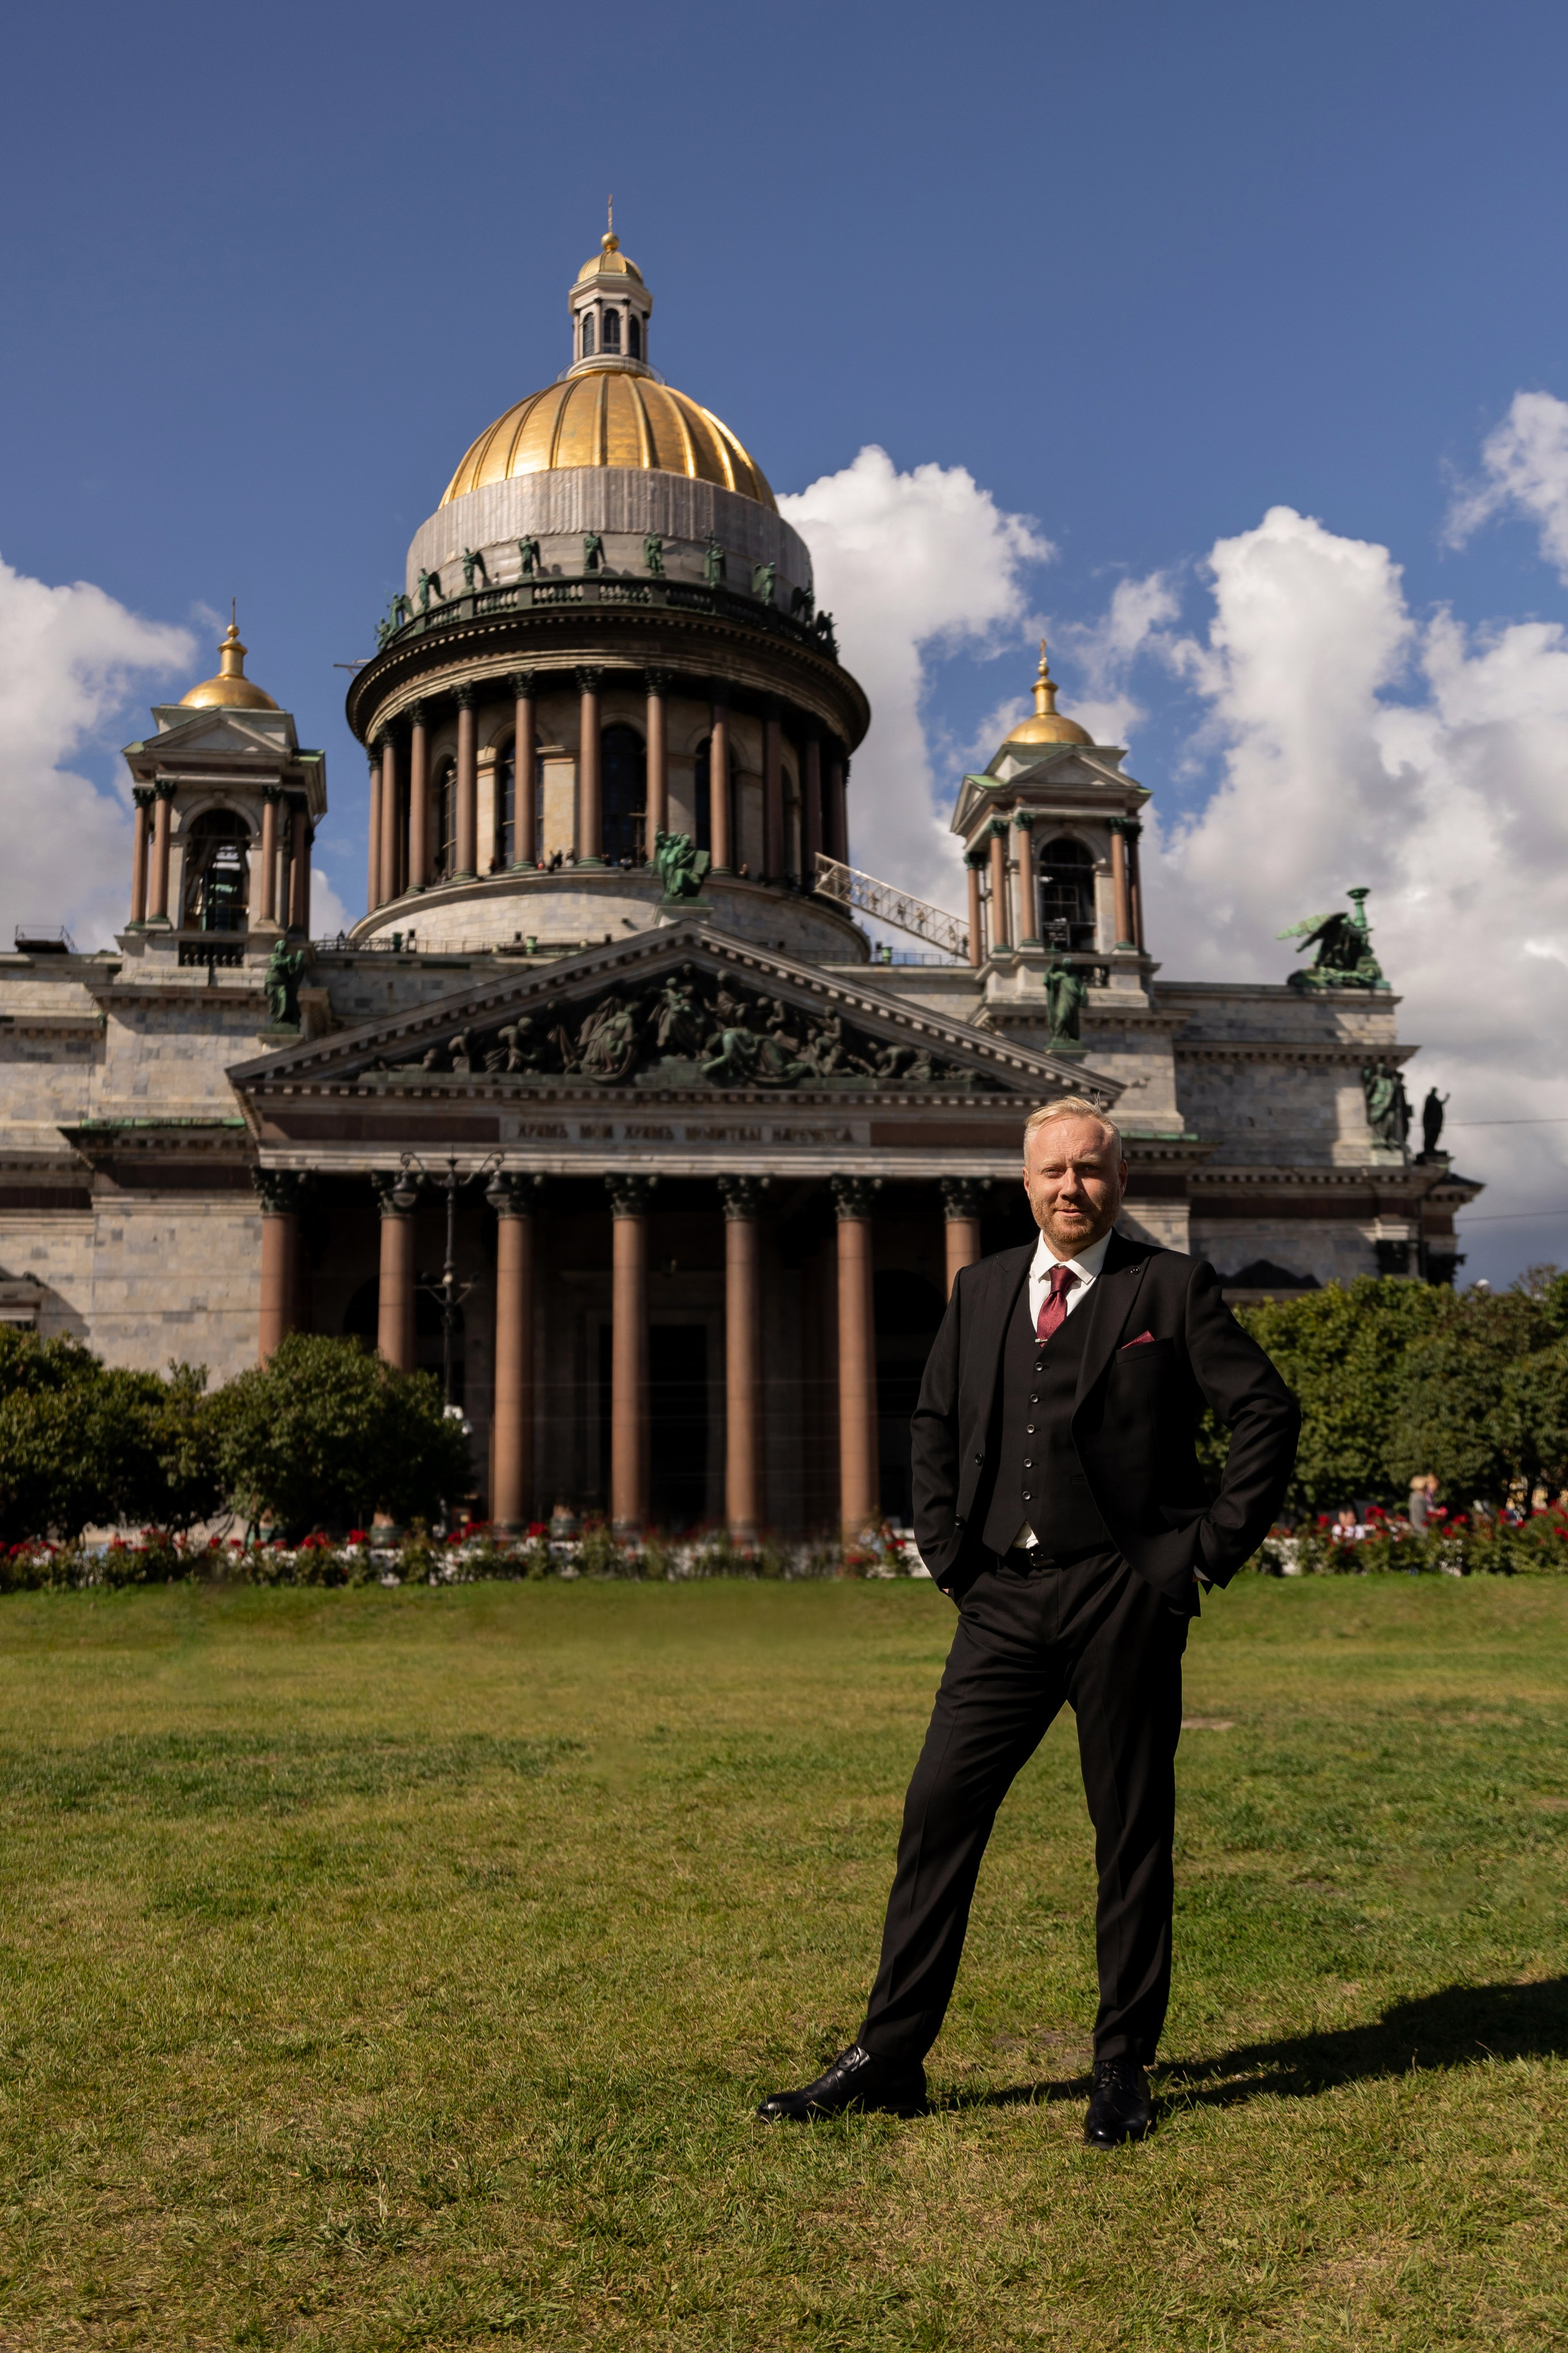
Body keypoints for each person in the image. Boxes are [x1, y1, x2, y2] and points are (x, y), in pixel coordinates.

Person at [758, 1096, 1299, 2147]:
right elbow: (935, 1419)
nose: (1070, 1187)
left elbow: (1265, 1412)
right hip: (1001, 1596)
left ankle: (1121, 2064)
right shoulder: (985, 1286)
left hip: (1122, 1596)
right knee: (938, 1812)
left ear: (1119, 1182)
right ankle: (889, 2057)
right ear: (1025, 1182)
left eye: (1089, 1171)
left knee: (1129, 1832)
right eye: (1053, 1171)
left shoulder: (1169, 1288)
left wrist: (1201, 1553)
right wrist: (949, 1550)